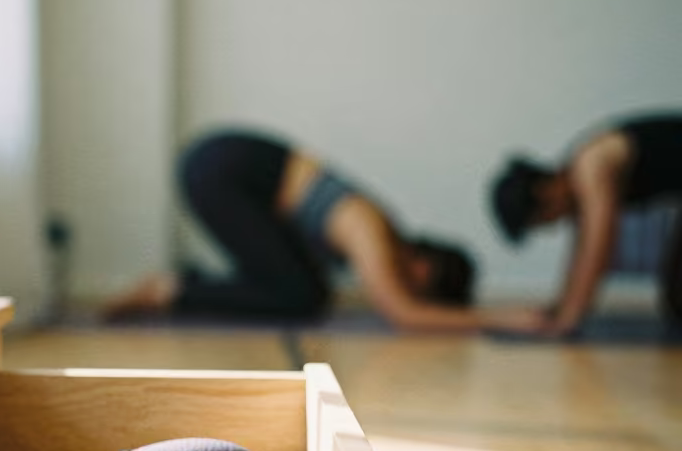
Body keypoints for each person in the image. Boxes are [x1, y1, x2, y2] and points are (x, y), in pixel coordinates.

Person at [105, 130, 529, 333]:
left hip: (225, 168)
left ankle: (184, 285)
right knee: (300, 295)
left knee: (305, 289)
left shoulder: (374, 224)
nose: (414, 289)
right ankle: (169, 289)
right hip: (219, 171)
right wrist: (503, 318)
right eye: (426, 288)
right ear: (425, 266)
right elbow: (402, 313)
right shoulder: (372, 229)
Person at [490, 112, 682, 336]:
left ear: (545, 193)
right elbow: (581, 251)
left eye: (545, 221)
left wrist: (568, 319)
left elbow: (598, 245)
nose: (554, 225)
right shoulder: (580, 176)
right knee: (676, 300)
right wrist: (560, 307)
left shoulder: (590, 165)